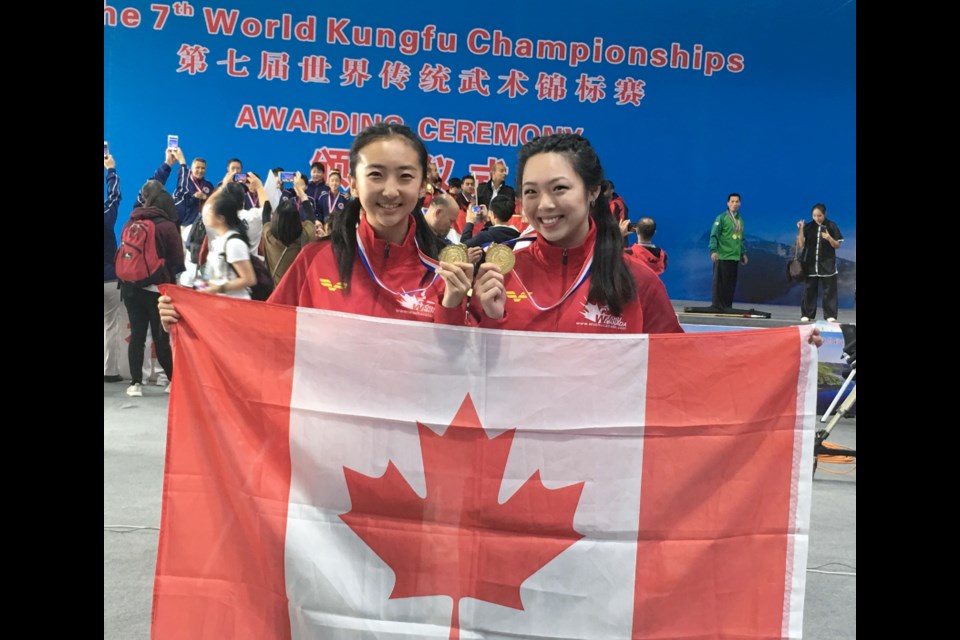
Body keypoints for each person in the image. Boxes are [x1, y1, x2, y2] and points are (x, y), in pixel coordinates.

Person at [160, 123, 473, 328]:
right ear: (353, 184)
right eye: (375, 175)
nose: (390, 191)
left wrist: (453, 308)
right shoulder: (314, 262)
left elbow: (461, 371)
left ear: (422, 187)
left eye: (405, 177)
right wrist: (193, 318)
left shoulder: (442, 273)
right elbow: (263, 334)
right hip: (326, 429)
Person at [469, 134, 682, 334]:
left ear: (593, 191)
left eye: (560, 188)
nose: (545, 204)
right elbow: (470, 364)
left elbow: (673, 363)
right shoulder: (503, 275)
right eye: (531, 191)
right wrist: (492, 319)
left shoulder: (639, 281)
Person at [121, 180, 185, 396]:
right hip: (158, 290)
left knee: (138, 336)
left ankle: (135, 384)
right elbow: (177, 259)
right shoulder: (167, 225)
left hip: (130, 287)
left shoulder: (131, 221)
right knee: (161, 337)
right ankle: (173, 381)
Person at [196, 184, 258, 299]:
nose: (207, 214)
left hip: (236, 304)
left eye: (211, 213)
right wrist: (201, 286)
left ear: (221, 218)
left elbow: (249, 279)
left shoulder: (234, 244)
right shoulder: (218, 241)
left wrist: (219, 288)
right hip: (219, 302)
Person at [797, 203, 843, 322]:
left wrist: (828, 238)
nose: (817, 218)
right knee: (809, 290)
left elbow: (837, 245)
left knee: (829, 291)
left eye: (819, 216)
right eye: (814, 216)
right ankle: (807, 314)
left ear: (824, 214)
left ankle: (830, 315)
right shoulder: (808, 227)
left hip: (827, 265)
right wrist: (801, 229)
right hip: (810, 264)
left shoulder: (832, 225)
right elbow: (801, 244)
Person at [708, 193, 747, 312]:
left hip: (734, 256)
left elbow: (741, 238)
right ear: (728, 203)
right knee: (720, 283)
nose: (734, 204)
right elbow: (714, 235)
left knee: (730, 284)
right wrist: (713, 250)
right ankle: (717, 306)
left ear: (740, 203)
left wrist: (742, 253)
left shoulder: (740, 219)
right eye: (732, 201)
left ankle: (727, 306)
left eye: (737, 202)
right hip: (723, 255)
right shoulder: (721, 218)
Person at [104, 152, 124, 383]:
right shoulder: (106, 215)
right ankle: (109, 372)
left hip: (109, 278)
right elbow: (115, 196)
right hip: (109, 279)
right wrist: (111, 170)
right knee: (110, 326)